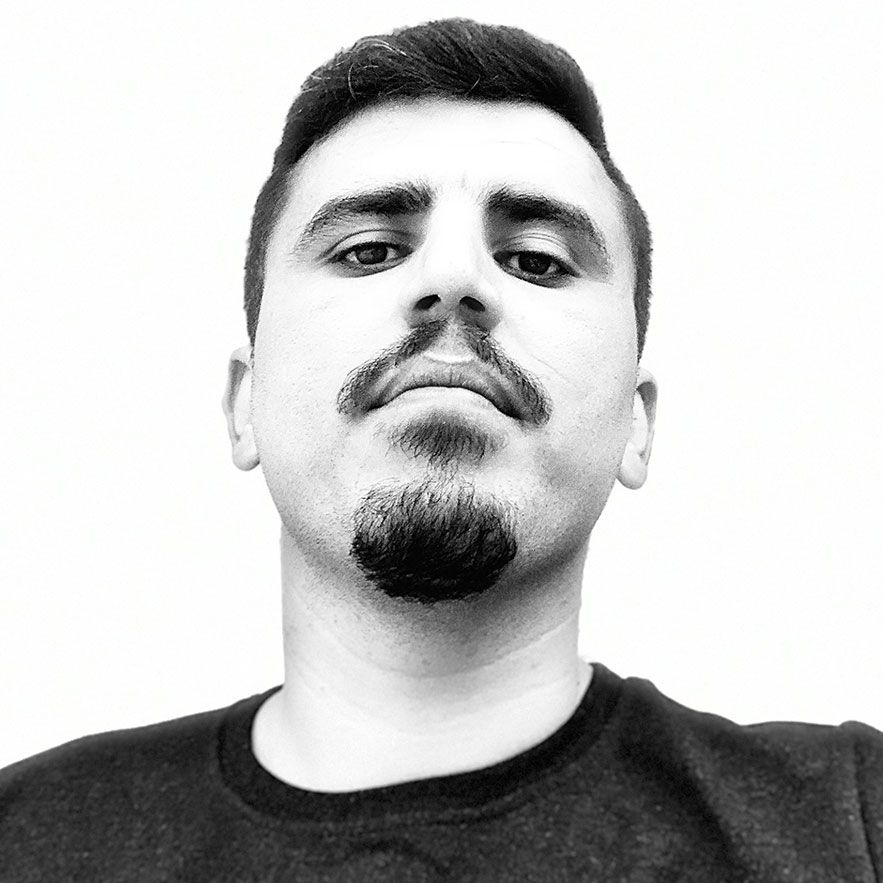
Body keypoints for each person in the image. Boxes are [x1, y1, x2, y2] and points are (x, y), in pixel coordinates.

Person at [1, 16, 880, 881]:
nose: (453, 278)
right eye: (369, 250)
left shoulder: (855, 820)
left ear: (635, 422)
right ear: (245, 404)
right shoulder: (25, 840)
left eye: (535, 260)